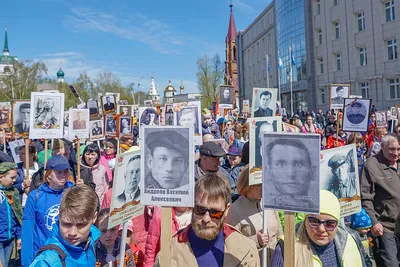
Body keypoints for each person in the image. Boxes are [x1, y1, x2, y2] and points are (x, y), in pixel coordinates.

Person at [154, 173, 260, 267]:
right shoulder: (169, 253)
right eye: (200, 209)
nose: (206, 219)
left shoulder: (246, 250)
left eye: (215, 212)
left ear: (227, 210)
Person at [271, 190, 364, 267]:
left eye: (330, 223)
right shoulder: (286, 247)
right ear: (305, 221)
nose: (321, 229)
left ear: (337, 224)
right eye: (314, 221)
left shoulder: (351, 240)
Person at [21, 155, 74, 266]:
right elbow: (28, 231)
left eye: (66, 171)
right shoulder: (35, 196)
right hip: (43, 256)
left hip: (68, 255)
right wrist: (26, 262)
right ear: (48, 175)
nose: (64, 176)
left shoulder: (74, 192)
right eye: (59, 172)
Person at [29, 184, 100, 266]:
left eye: (81, 225)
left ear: (94, 217)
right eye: (67, 224)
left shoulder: (90, 242)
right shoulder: (47, 262)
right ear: (59, 216)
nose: (72, 233)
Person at [226, 165, 282, 264]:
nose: (263, 188)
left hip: (275, 262)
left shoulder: (268, 203)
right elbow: (231, 244)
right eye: (258, 185)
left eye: (265, 184)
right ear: (247, 184)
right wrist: (256, 241)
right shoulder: (234, 210)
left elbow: (279, 233)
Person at [361, 133, 400, 267]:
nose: (396, 153)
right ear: (382, 146)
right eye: (392, 149)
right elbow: (366, 197)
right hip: (385, 227)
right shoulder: (372, 166)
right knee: (390, 263)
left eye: (399, 149)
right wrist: (374, 222)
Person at [264, 138, 317, 211]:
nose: (290, 173)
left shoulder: (321, 216)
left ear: (312, 172)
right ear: (269, 172)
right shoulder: (264, 215)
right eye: (281, 164)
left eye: (298, 164)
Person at [0, 163, 21, 267]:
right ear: (1, 177)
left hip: (10, 239)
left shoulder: (11, 193)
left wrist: (19, 236)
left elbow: (16, 215)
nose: (14, 180)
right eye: (12, 177)